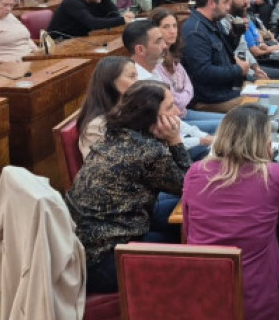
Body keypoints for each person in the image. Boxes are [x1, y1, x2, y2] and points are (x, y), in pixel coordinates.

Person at [67, 80, 190, 294]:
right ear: (151, 116)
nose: (178, 112)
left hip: (86, 247)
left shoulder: (115, 134)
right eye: (170, 107)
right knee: (190, 242)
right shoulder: (147, 151)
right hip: (106, 261)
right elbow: (189, 186)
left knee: (180, 220)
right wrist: (175, 140)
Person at [182, 104, 279, 320]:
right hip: (259, 301)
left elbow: (188, 229)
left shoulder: (195, 172)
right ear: (265, 141)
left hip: (203, 297)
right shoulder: (278, 175)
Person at [123, 19, 214, 159]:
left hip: (180, 137)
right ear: (140, 49)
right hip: (170, 153)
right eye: (158, 41)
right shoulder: (138, 86)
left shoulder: (154, 72)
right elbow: (160, 140)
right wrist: (201, 140)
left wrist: (202, 136)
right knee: (231, 147)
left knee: (231, 131)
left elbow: (174, 118)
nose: (165, 45)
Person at [150, 9, 225, 133]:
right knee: (228, 126)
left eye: (174, 26)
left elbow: (189, 86)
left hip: (184, 112)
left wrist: (184, 97)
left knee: (228, 120)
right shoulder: (154, 62)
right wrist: (184, 97)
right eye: (166, 27)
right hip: (174, 120)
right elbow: (172, 99)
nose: (172, 31)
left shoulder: (173, 54)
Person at [182, 0, 250, 113]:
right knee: (257, 105)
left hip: (223, 90)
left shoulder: (213, 22)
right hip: (208, 99)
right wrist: (238, 70)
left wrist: (235, 34)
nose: (228, 7)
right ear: (212, 3)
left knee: (264, 91)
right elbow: (203, 72)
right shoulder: (195, 31)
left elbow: (225, 52)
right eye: (225, 2)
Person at [75, 56, 137, 159]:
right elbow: (103, 170)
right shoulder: (95, 127)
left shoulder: (128, 110)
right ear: (112, 82)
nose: (137, 82)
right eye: (132, 76)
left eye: (136, 76)